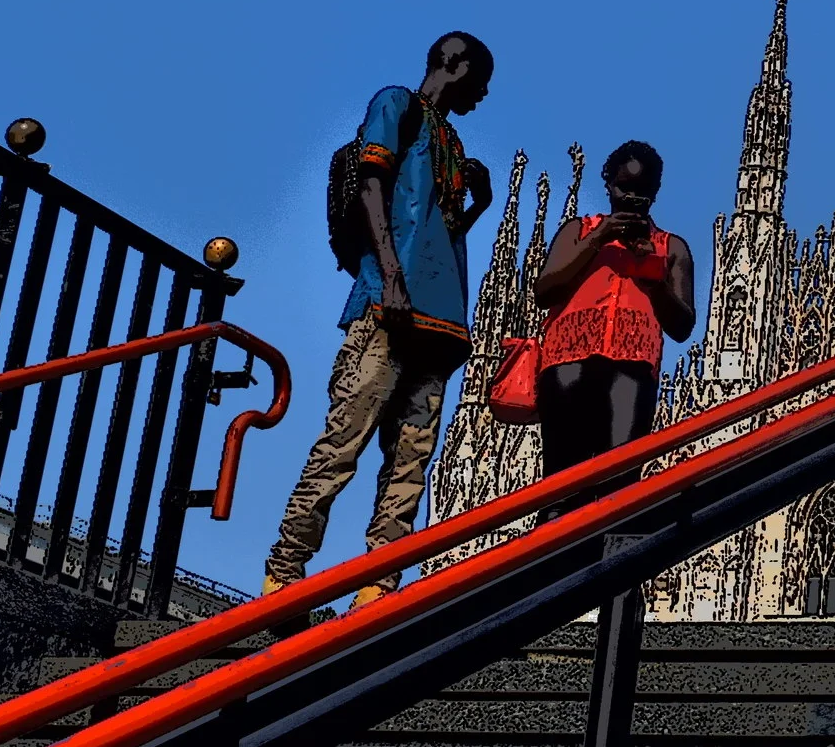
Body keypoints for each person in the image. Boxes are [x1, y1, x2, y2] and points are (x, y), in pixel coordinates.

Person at [265, 33, 495, 606]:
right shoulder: (397, 105)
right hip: (387, 307)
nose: (483, 95)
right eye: (480, 80)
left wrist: (480, 205)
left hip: (440, 326)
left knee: (411, 458)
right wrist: (389, 275)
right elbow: (373, 187)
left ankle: (379, 582)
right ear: (454, 64)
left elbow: (437, 235)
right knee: (345, 438)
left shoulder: (451, 138)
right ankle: (285, 569)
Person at [533, 139, 697, 494]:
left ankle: (607, 551)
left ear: (654, 193)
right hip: (567, 367)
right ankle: (554, 549)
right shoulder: (579, 231)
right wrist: (599, 238)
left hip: (632, 372)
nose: (631, 199)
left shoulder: (671, 248)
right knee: (561, 486)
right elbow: (544, 290)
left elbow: (682, 326)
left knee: (617, 487)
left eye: (642, 192)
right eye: (624, 188)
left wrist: (651, 273)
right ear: (608, 184)